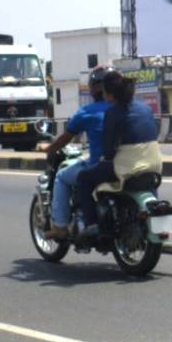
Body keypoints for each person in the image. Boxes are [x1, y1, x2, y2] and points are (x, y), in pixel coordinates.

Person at [75, 70, 162, 238]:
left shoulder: (112, 113)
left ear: (108, 95)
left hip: (127, 168)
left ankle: (92, 224)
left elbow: (108, 151)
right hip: (154, 164)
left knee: (83, 179)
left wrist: (106, 158)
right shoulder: (145, 108)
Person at [40, 66, 113, 240]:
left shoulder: (87, 112)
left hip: (102, 165)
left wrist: (48, 148)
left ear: (93, 88)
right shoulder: (129, 109)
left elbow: (65, 138)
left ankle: (60, 226)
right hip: (131, 163)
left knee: (62, 177)